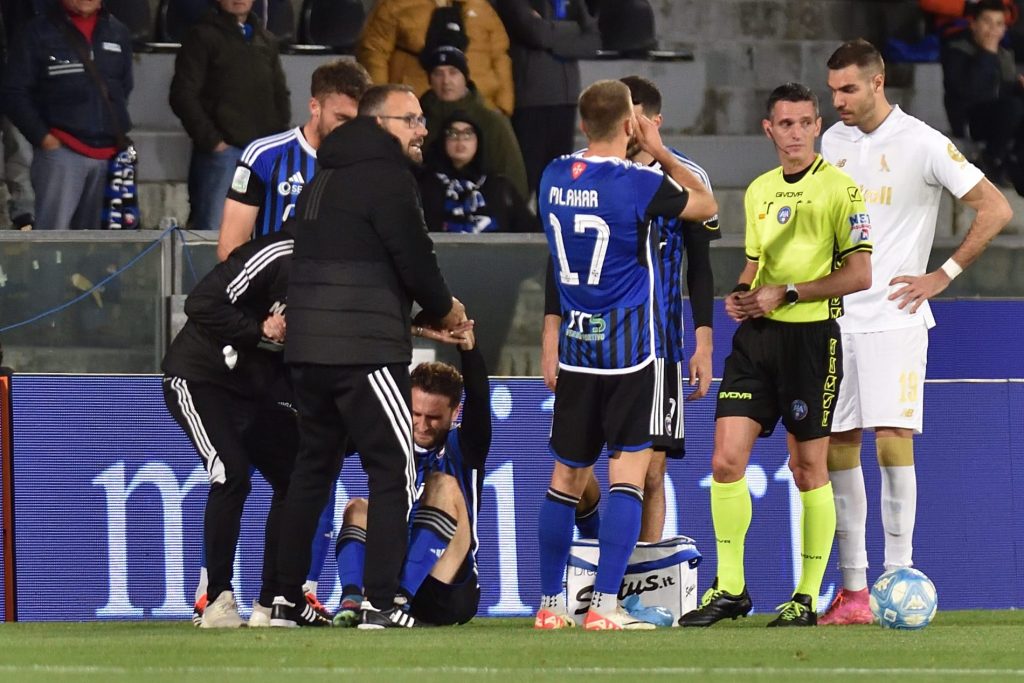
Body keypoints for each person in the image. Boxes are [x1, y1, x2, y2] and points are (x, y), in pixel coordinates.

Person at [819, 39, 1012, 625]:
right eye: (833, 90)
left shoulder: (923, 142)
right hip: (837, 317)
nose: (838, 101)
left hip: (895, 316)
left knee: (891, 438)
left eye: (849, 89)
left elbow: (995, 208)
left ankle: (897, 573)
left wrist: (941, 275)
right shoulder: (833, 143)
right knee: (838, 443)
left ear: (878, 83)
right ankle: (854, 590)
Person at [268, 84, 469, 629]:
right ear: (380, 124)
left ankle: (283, 599)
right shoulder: (388, 179)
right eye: (412, 120)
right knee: (394, 470)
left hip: (308, 353)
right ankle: (382, 602)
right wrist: (445, 308)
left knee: (312, 470)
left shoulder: (322, 178)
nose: (423, 130)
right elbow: (415, 257)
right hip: (364, 353)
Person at [679, 82, 874, 628]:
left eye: (805, 123)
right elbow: (755, 261)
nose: (796, 133)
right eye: (785, 124)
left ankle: (805, 597)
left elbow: (860, 274)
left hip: (811, 340)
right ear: (769, 129)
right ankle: (731, 588)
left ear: (818, 126)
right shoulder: (760, 190)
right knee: (725, 461)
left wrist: (786, 293)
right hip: (757, 340)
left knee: (807, 467)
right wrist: (742, 293)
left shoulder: (841, 190)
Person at [534, 79, 717, 631]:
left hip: (578, 350)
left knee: (564, 479)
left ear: (582, 122)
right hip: (633, 351)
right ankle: (606, 605)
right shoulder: (640, 182)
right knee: (629, 477)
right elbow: (706, 206)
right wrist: (660, 152)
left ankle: (550, 606)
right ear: (630, 123)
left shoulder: (551, 176)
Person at [162, 230, 297, 628]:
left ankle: (270, 602)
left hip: (253, 389)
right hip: (200, 377)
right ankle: (216, 599)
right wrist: (259, 329)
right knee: (231, 473)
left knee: (297, 478)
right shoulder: (277, 253)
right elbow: (201, 302)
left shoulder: (336, 273)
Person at [333, 327, 489, 628]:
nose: (422, 425)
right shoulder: (391, 442)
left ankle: (396, 601)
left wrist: (469, 352)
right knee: (357, 508)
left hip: (449, 587)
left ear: (455, 412)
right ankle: (352, 600)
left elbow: (480, 399)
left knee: (443, 485)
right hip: (392, 572)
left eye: (434, 417)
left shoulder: (466, 445)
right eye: (416, 414)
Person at [216, 59, 371, 260]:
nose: (350, 129)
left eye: (357, 121)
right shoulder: (264, 156)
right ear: (315, 107)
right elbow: (229, 248)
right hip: (274, 279)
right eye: (341, 118)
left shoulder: (368, 164)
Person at [1, 0, 132, 230]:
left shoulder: (119, 32)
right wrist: (43, 138)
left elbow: (123, 87)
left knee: (100, 243)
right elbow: (14, 92)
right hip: (61, 154)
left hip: (108, 156)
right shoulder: (36, 32)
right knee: (51, 239)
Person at [169, 0, 290, 232]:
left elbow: (280, 94)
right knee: (211, 234)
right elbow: (183, 94)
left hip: (262, 157)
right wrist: (213, 141)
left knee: (261, 232)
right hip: (221, 158)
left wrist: (278, 142)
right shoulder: (201, 36)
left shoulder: (266, 39)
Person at [495, 0, 600, 200]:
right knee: (525, 182)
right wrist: (574, 30)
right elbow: (538, 34)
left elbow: (593, 42)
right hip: (532, 100)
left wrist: (552, 30)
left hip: (566, 100)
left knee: (557, 184)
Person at [357, 0, 514, 116]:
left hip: (481, 107)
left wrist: (503, 106)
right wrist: (381, 106)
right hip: (416, 108)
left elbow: (500, 56)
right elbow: (373, 53)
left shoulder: (481, 7)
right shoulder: (395, 5)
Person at [418, 44, 528, 199]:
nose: (446, 81)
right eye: (438, 73)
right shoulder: (418, 119)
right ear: (429, 79)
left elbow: (513, 178)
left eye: (453, 72)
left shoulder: (492, 122)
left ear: (465, 77)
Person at [942, 0, 1024, 188]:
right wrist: (987, 54)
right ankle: (990, 160)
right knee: (1013, 108)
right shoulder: (957, 49)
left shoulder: (1003, 55)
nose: (993, 30)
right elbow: (970, 92)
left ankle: (1016, 164)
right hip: (968, 120)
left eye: (999, 24)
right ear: (973, 24)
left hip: (999, 116)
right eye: (987, 22)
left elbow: (1004, 91)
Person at [419, 110, 535, 233]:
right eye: (453, 133)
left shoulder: (498, 187)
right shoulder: (426, 185)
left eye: (468, 133)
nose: (460, 140)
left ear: (478, 141)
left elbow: (530, 233)